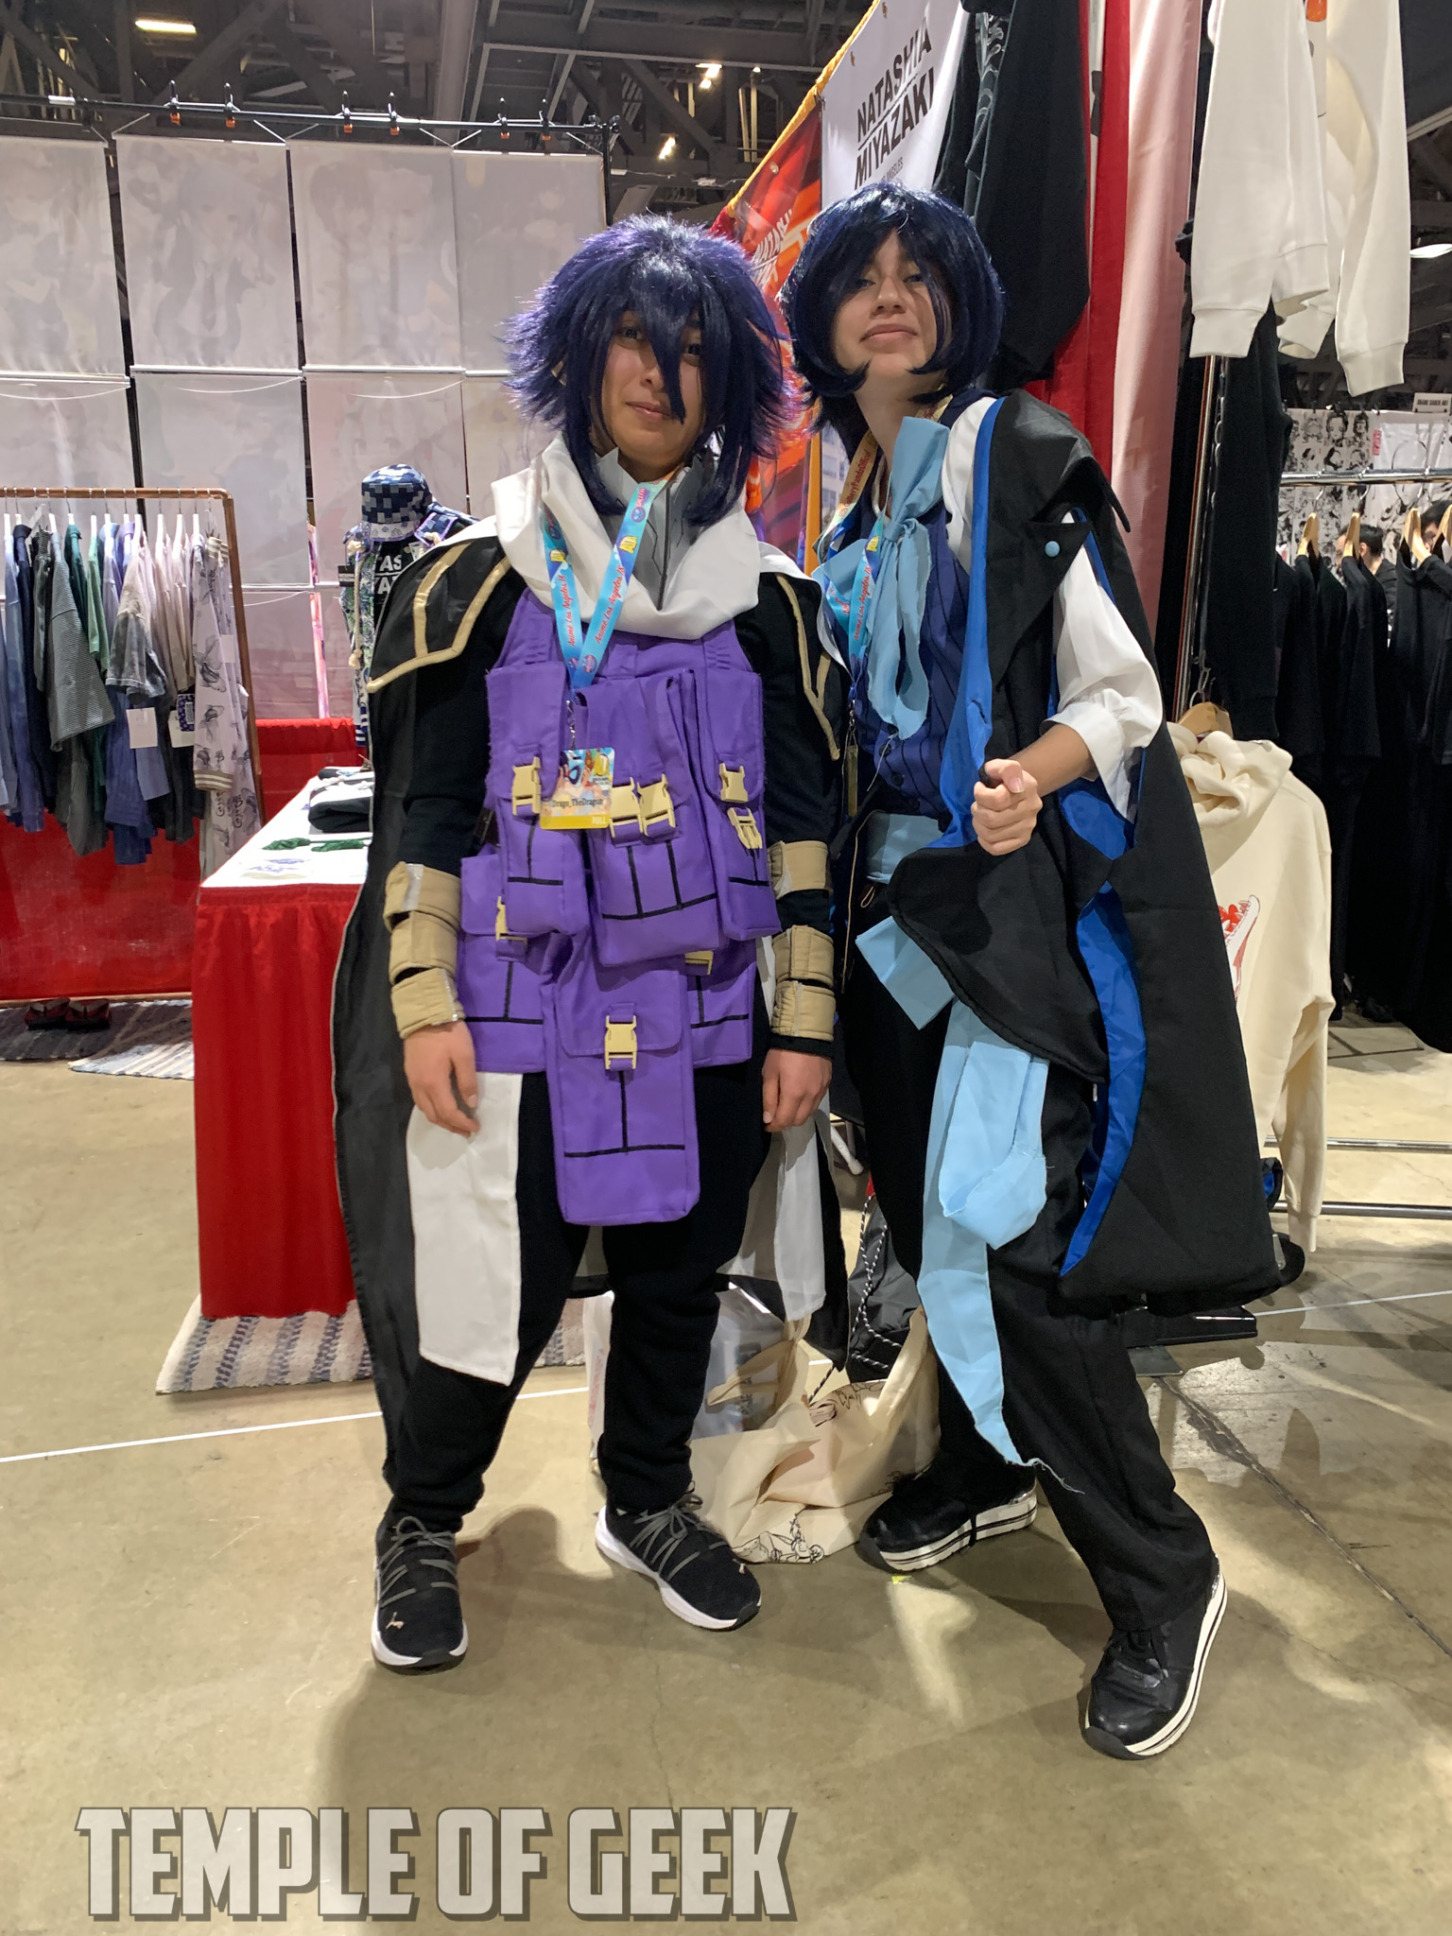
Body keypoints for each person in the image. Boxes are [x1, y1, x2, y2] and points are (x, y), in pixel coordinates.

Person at [782, 184, 1277, 1759]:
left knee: (1017, 1243)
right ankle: (993, 1468)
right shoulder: (849, 507)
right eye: (861, 276)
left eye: (919, 272)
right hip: (892, 930)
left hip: (1004, 918)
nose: (891, 293)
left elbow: (1120, 693)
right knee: (926, 1225)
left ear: (961, 304)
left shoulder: (1016, 451)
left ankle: (1164, 1575)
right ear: (822, 320)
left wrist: (1029, 776)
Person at [332, 217, 844, 1671]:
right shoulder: (480, 580)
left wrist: (802, 1023)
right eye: (632, 337)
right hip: (516, 1006)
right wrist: (422, 1001)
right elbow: (428, 815)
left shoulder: (767, 604)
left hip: (708, 1010)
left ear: (728, 382)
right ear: (577, 357)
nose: (659, 373)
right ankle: (425, 1515)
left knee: (682, 1272)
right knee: (492, 1285)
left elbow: (802, 835)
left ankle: (646, 1497)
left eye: (692, 348)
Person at [1358, 523, 1396, 628]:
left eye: (1342, 553)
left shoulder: (1392, 583)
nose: (1339, 562)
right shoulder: (1362, 580)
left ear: (1362, 550)